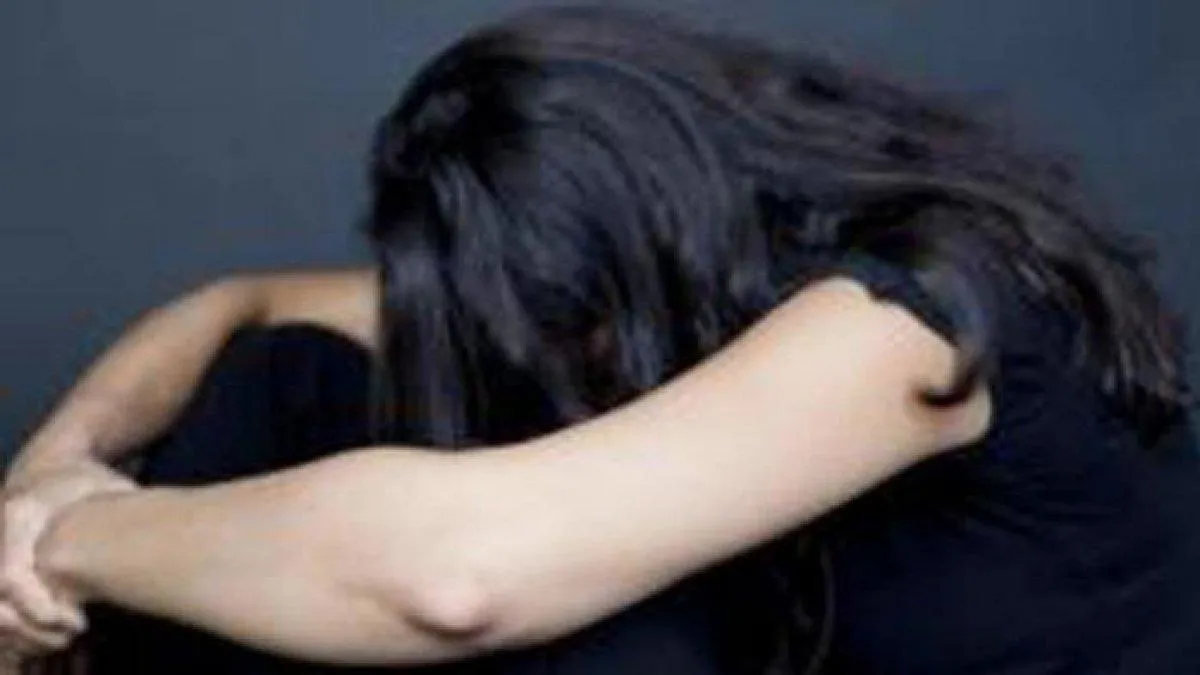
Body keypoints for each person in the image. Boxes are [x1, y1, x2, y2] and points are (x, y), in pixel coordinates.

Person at [3, 6, 1199, 674]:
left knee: (604, 630)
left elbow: (456, 578)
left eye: (567, 325)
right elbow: (241, 306)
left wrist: (76, 543)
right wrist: (56, 464)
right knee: (285, 378)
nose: (556, 357)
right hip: (784, 646)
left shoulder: (916, 311)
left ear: (642, 235)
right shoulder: (707, 275)